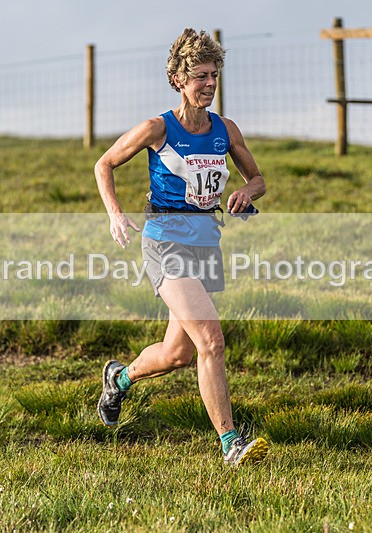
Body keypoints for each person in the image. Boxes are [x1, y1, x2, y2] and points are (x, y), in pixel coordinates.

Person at [94, 28, 268, 466]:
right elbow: (104, 164)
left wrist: (247, 194)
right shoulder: (158, 128)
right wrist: (115, 213)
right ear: (178, 79)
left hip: (206, 245)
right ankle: (231, 443)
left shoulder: (225, 130)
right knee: (211, 340)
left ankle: (119, 377)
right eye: (199, 77)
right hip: (165, 244)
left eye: (214, 75)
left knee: (177, 354)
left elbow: (259, 179)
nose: (209, 84)